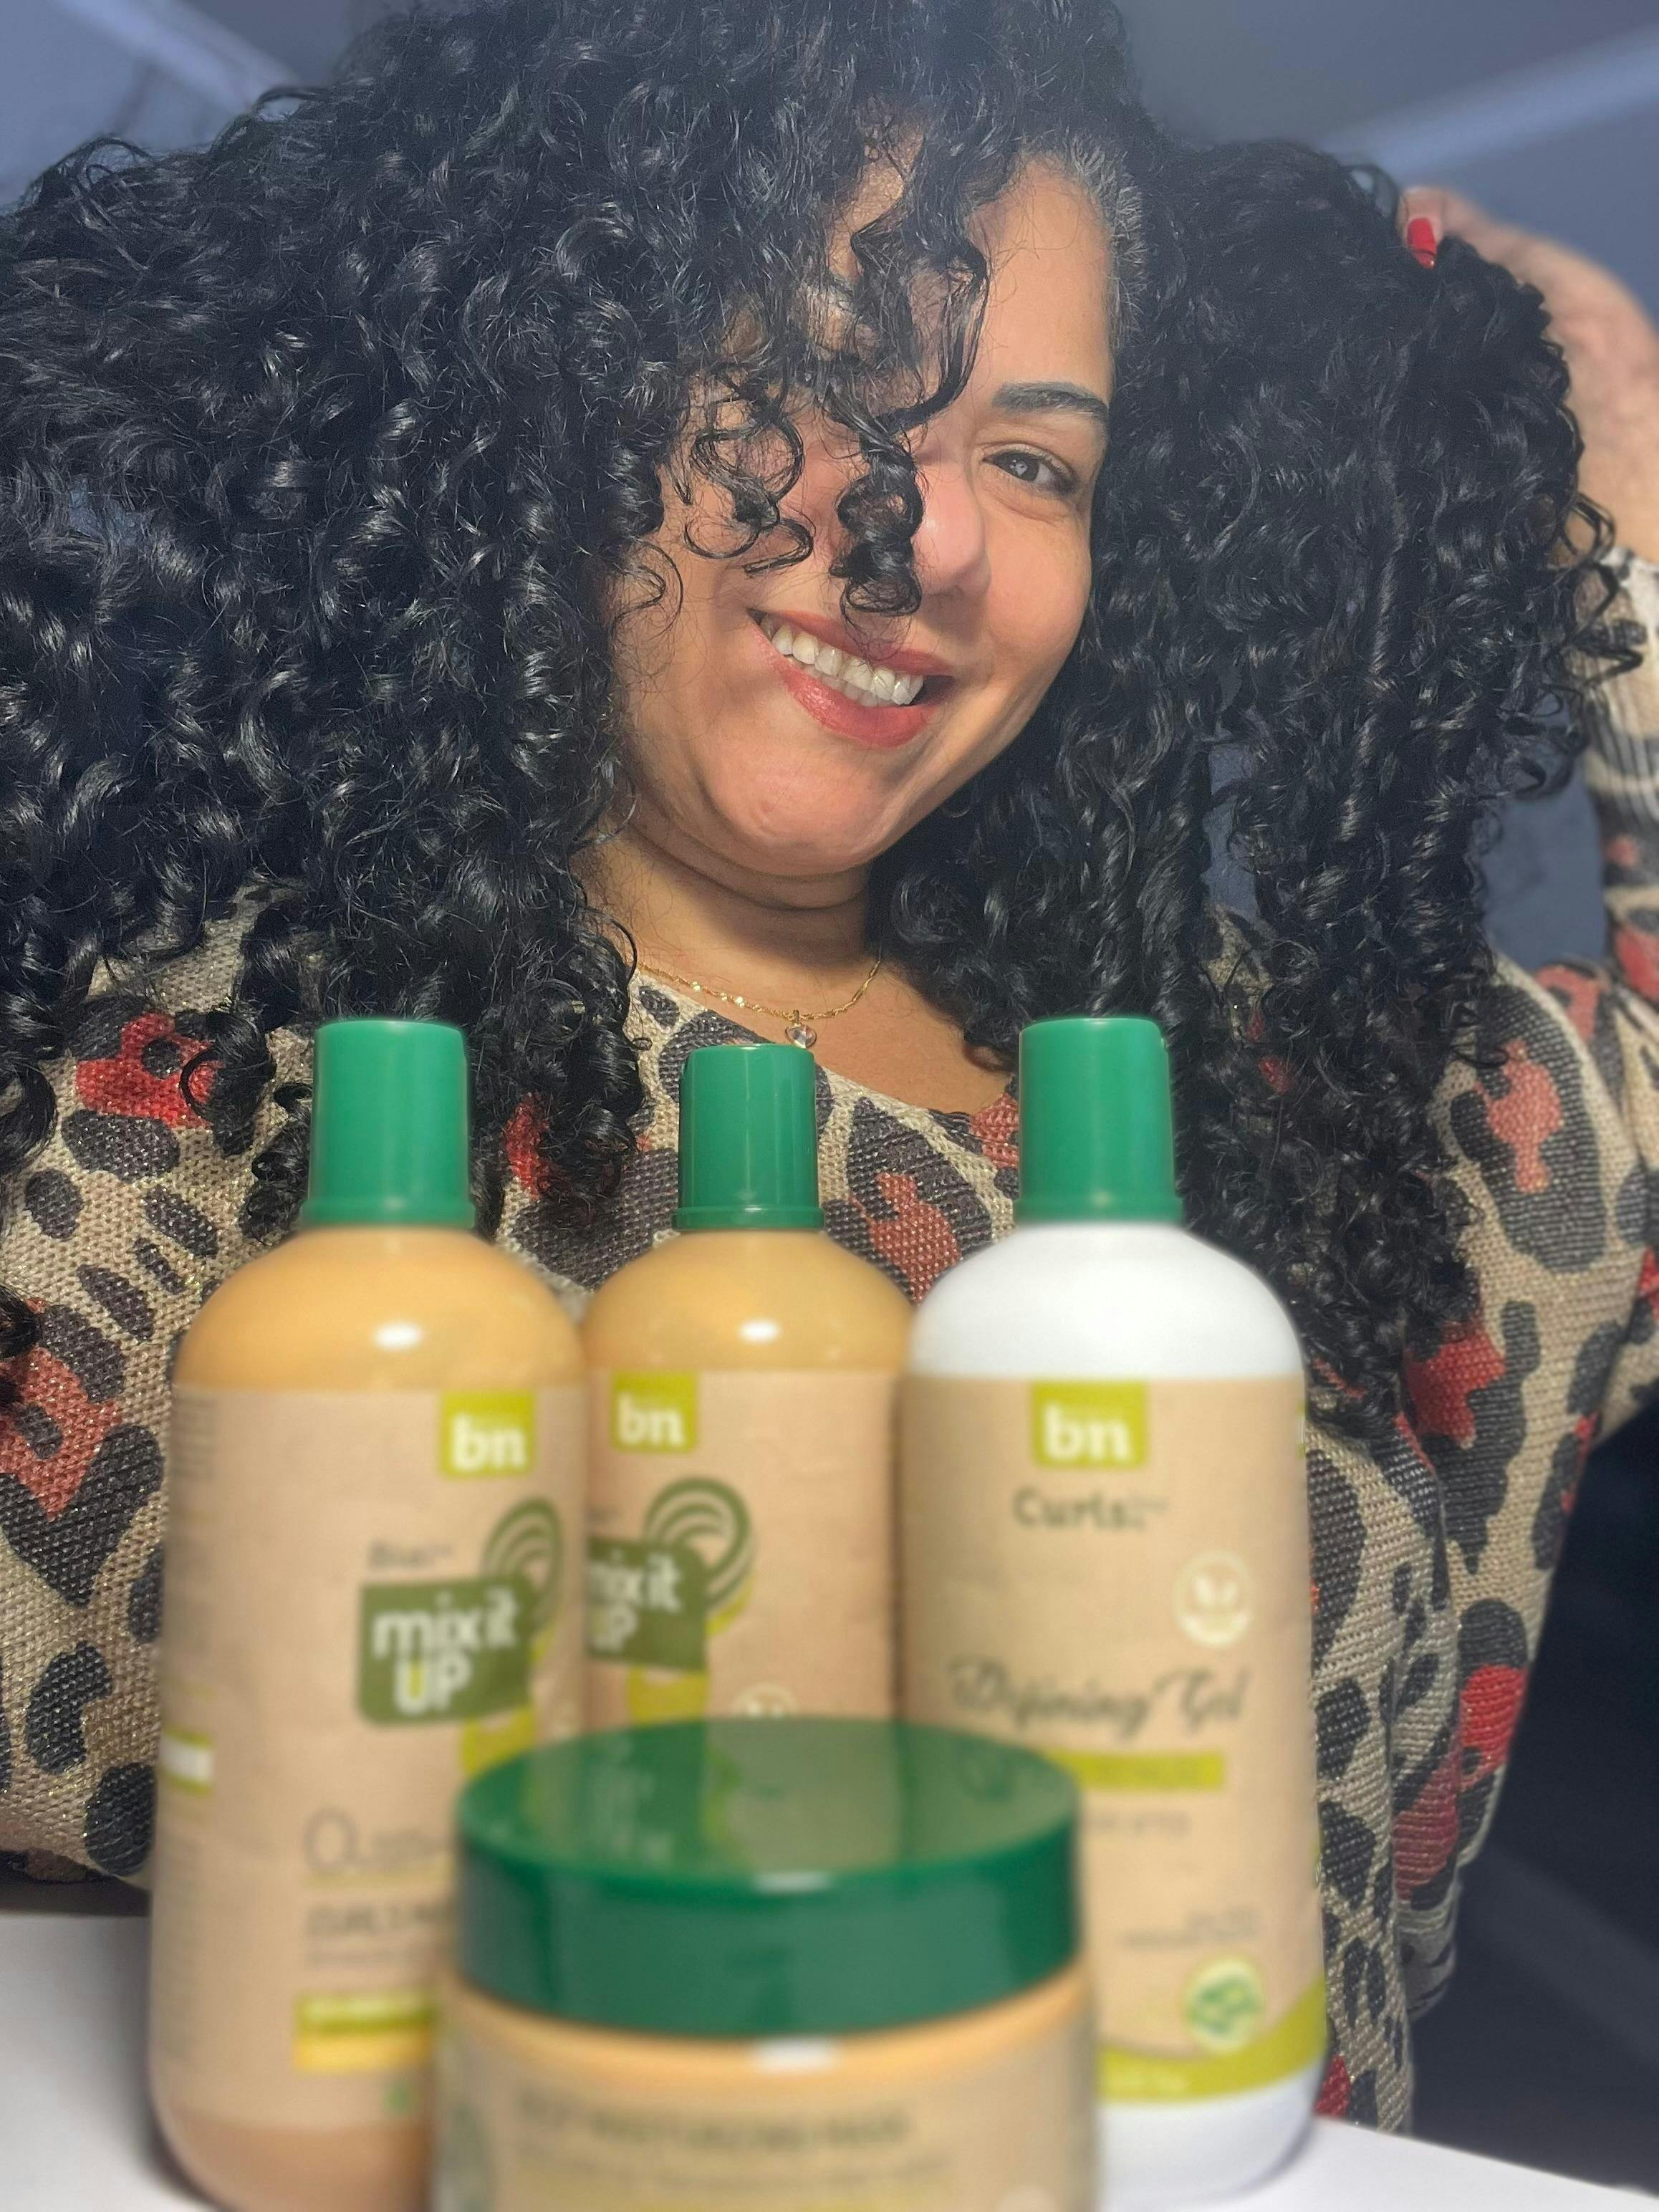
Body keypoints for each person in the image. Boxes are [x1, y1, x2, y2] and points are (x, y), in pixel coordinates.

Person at [1, 0, 1656, 2130]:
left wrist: (1623, 514)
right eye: (808, 383)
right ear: (550, 390)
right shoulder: (204, 1094)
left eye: (1036, 463)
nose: (926, 536)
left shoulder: (1292, 1102)